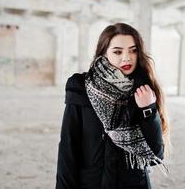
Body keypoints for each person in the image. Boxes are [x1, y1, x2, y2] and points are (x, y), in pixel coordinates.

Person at [55, 22, 171, 189]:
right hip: (91, 183)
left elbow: (155, 155)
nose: (127, 57)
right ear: (103, 53)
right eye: (117, 51)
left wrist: (148, 109)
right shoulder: (81, 87)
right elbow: (68, 146)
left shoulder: (144, 90)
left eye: (133, 50)